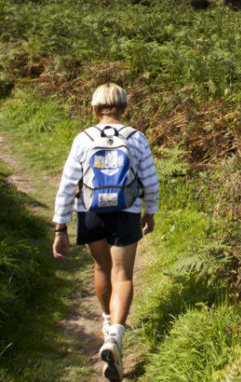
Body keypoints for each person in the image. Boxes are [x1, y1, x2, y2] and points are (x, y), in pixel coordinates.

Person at [52, 83, 159, 381]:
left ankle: (106, 322)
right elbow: (150, 180)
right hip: (126, 213)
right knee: (123, 275)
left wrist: (60, 227)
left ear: (95, 109)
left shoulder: (83, 139)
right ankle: (116, 335)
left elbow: (66, 187)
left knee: (102, 267)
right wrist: (150, 211)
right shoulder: (136, 138)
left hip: (91, 214)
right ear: (124, 108)